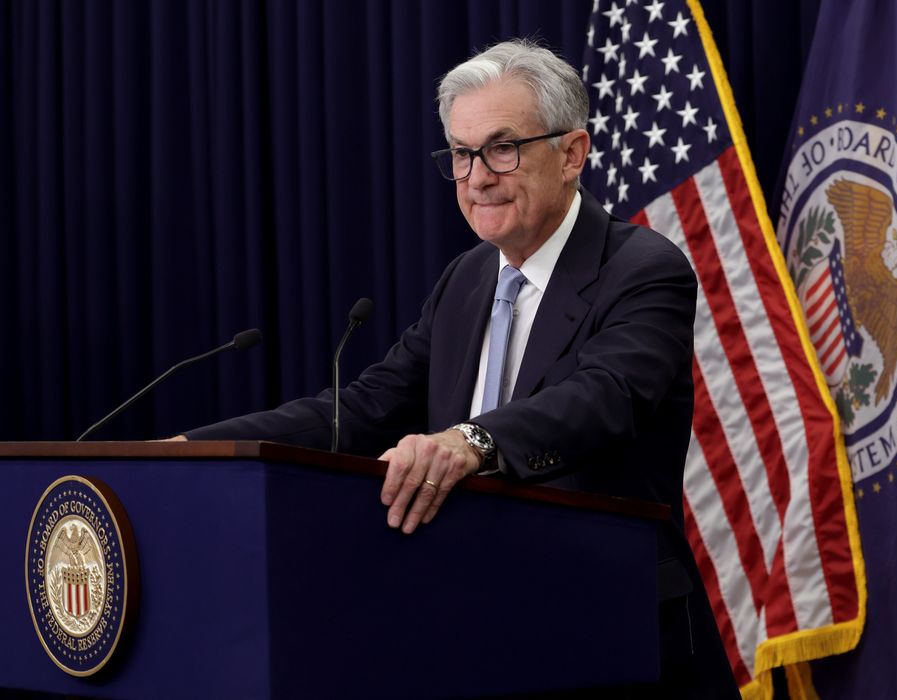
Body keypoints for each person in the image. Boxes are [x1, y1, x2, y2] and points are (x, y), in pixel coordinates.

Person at [181, 39, 739, 697]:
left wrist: (469, 442)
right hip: (467, 625)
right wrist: (201, 450)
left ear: (571, 154)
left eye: (502, 148)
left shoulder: (643, 269)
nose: (476, 177)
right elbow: (364, 409)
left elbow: (604, 398)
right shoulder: (466, 278)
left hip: (607, 631)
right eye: (461, 153)